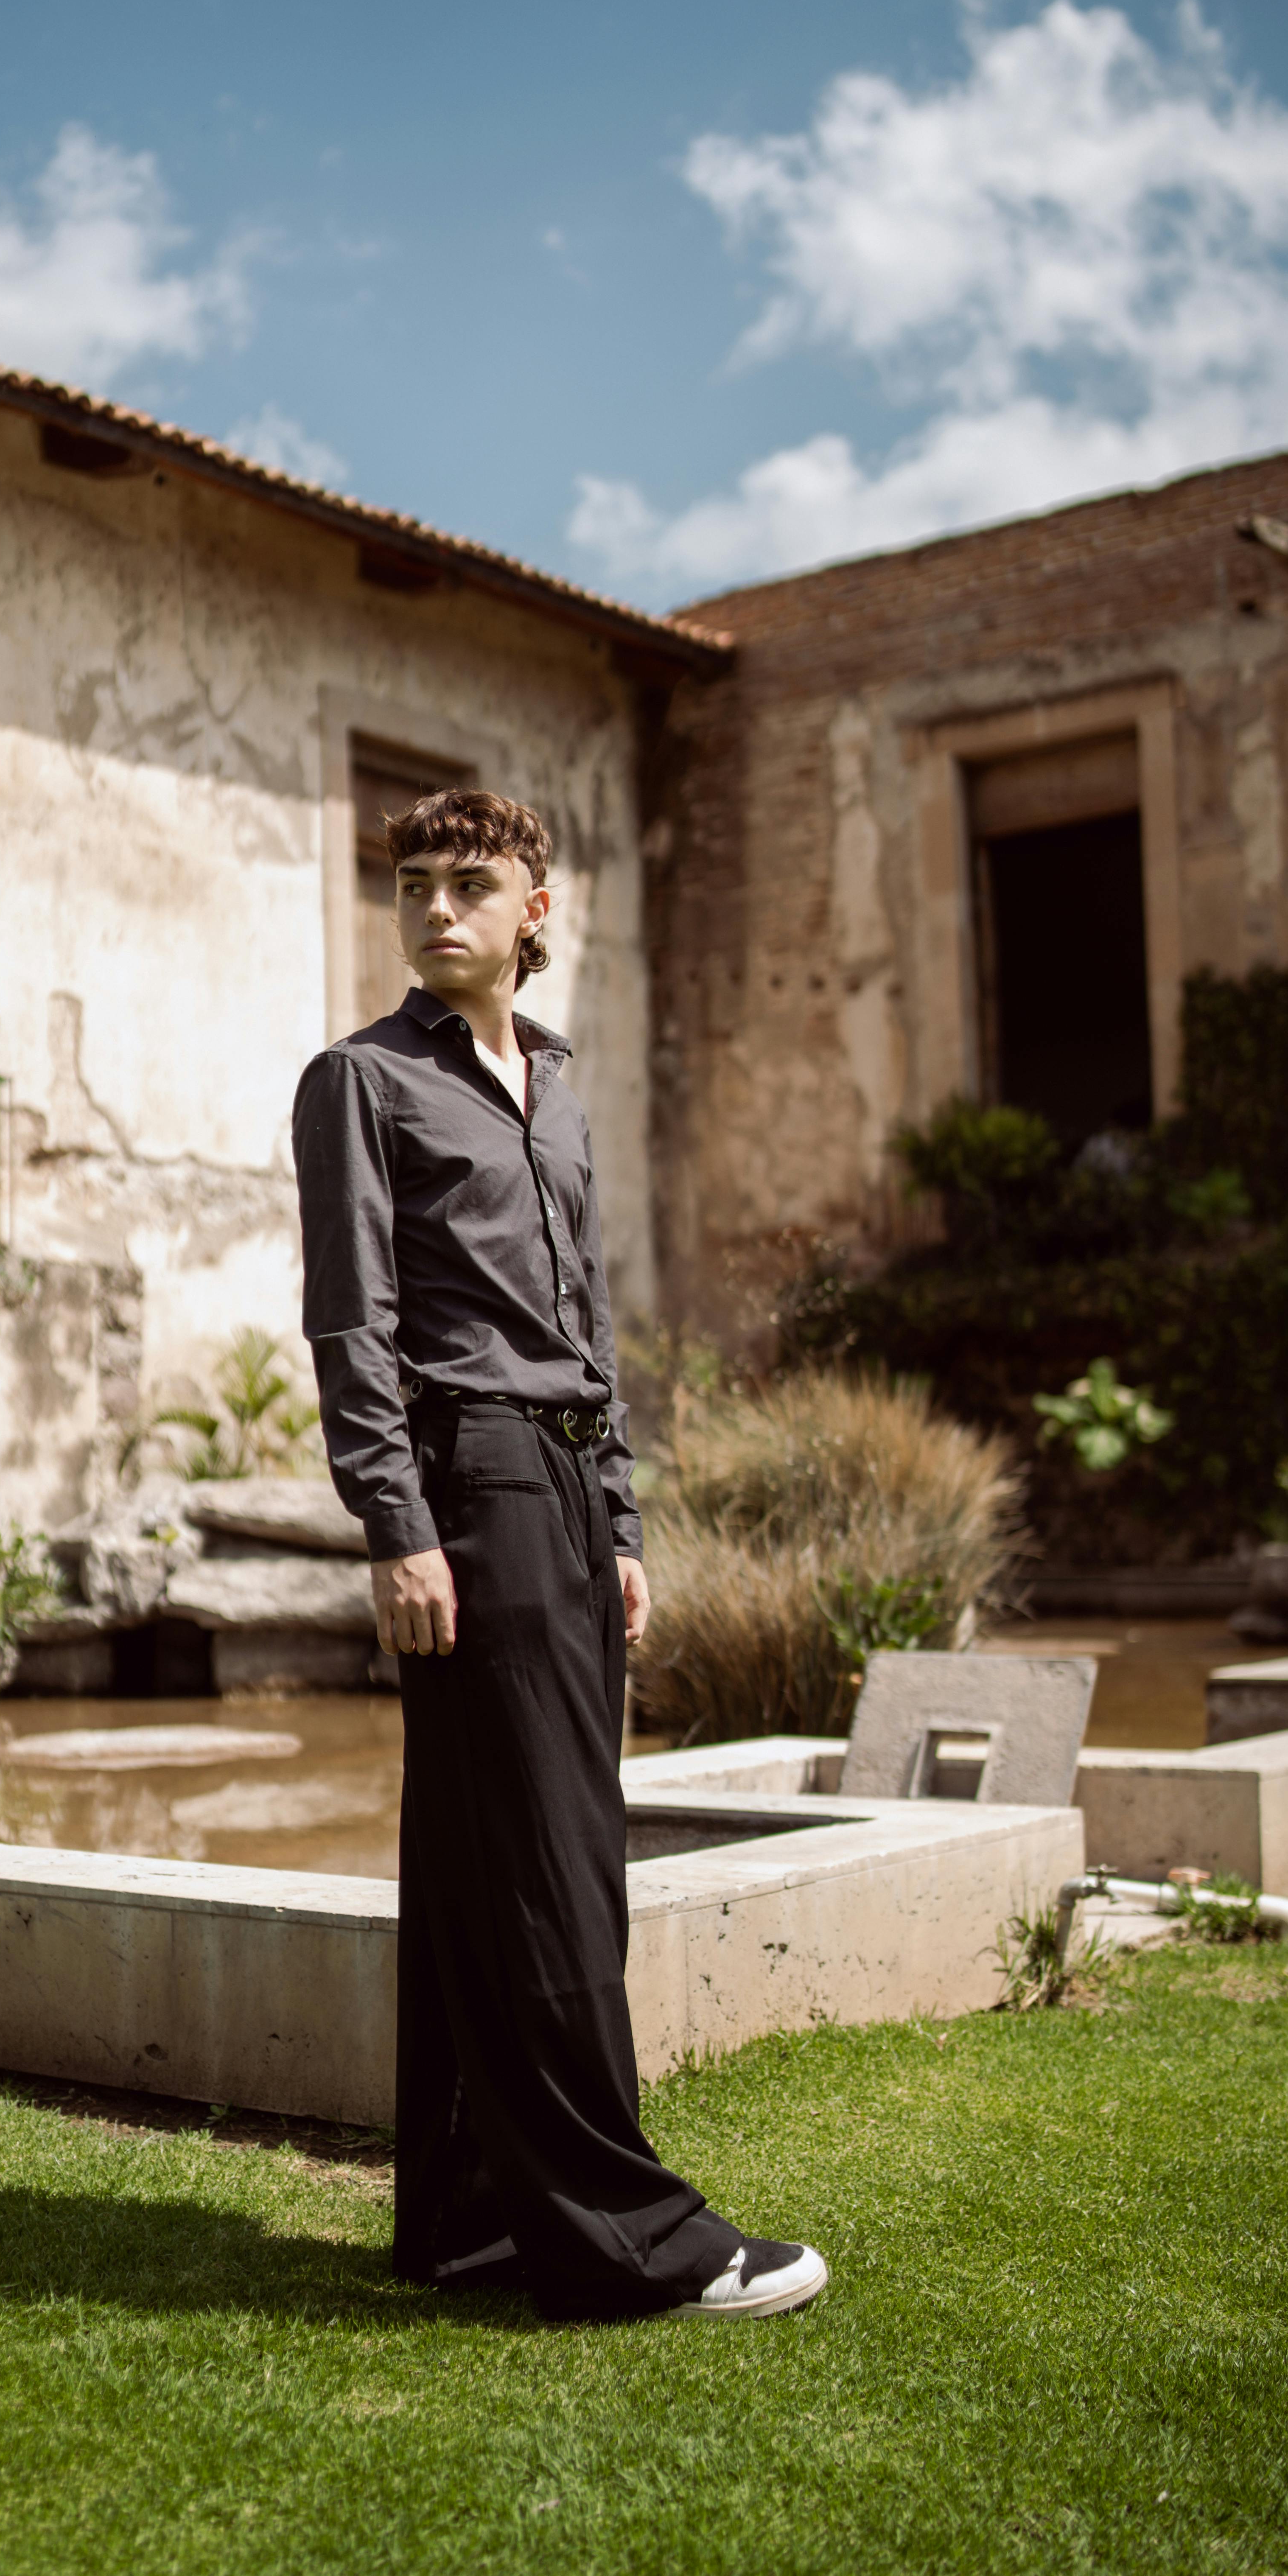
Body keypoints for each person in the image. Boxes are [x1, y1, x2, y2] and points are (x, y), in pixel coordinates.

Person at [292, 786, 828, 2324]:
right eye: (414, 886)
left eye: (471, 884)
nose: (436, 910)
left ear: (538, 910)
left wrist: (629, 1524)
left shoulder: (564, 1092)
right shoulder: (361, 1083)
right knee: (548, 1873)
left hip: (571, 1492)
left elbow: (589, 1324)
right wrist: (398, 1529)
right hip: (474, 1492)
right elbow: (354, 1326)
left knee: (488, 1861)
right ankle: (634, 2240)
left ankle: (471, 2225)